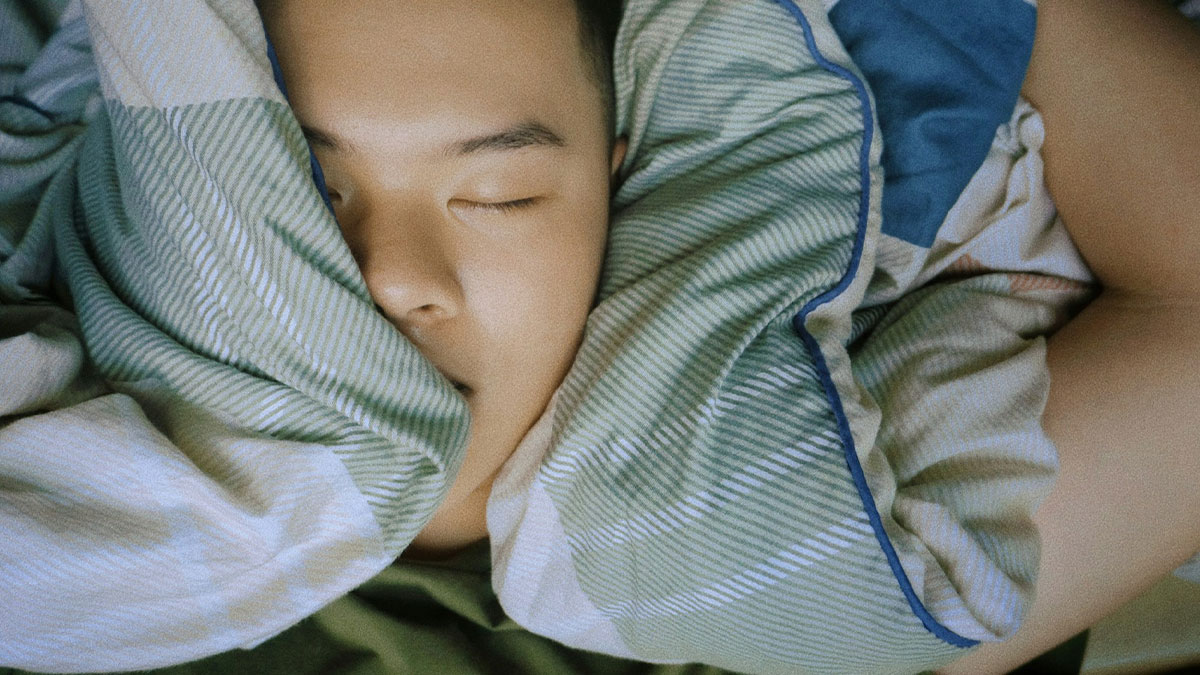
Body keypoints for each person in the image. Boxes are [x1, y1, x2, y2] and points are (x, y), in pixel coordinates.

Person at [260, 0, 1200, 671]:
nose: (393, 279)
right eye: (310, 185)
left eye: (500, 196)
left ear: (618, 196)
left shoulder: (811, 563)